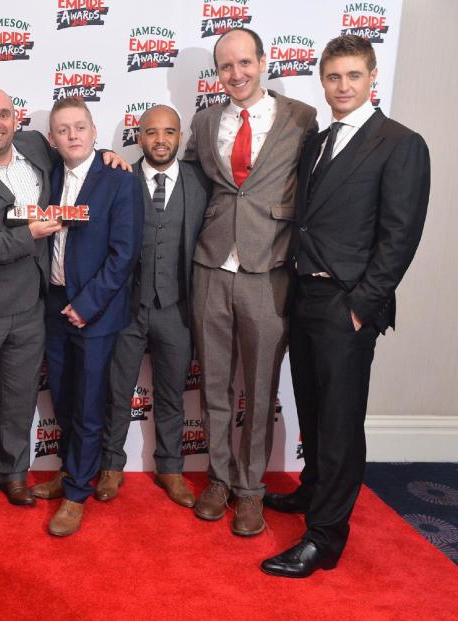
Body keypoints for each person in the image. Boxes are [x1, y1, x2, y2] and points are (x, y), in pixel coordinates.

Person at [261, 35, 430, 578]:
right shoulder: (318, 139)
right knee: (311, 409)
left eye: (353, 76)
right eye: (333, 77)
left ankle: (325, 539)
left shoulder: (400, 143)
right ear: (323, 80)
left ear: (372, 76)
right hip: (304, 295)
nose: (343, 86)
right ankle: (313, 493)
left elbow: (399, 237)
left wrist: (361, 306)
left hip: (346, 303)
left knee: (338, 422)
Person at [0, 87, 128, 514]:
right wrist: (29, 235)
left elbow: (79, 146)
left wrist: (111, 153)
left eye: (4, 114)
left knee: (19, 401)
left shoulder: (36, 147)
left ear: (16, 121)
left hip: (30, 309)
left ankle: (13, 474)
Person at [183, 27, 318, 536]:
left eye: (244, 63)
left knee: (259, 390)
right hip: (212, 265)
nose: (235, 74)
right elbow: (187, 183)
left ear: (263, 62)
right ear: (217, 73)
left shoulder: (301, 118)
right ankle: (217, 479)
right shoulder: (203, 120)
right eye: (225, 67)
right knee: (215, 384)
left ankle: (250, 489)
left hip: (270, 268)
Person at [97, 105, 210, 507]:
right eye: (151, 132)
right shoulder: (116, 176)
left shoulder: (201, 180)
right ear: (139, 136)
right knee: (116, 391)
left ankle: (171, 469)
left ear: (180, 137)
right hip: (126, 307)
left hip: (177, 307)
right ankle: (110, 466)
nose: (160, 139)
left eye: (169, 132)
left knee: (172, 394)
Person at [36, 97, 139, 536]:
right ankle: (68, 469)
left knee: (89, 404)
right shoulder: (50, 173)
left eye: (80, 127)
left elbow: (123, 254)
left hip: (94, 312)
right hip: (53, 306)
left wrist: (87, 305)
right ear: (52, 139)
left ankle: (78, 492)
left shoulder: (118, 178)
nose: (73, 135)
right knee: (62, 397)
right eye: (63, 129)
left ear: (95, 132)